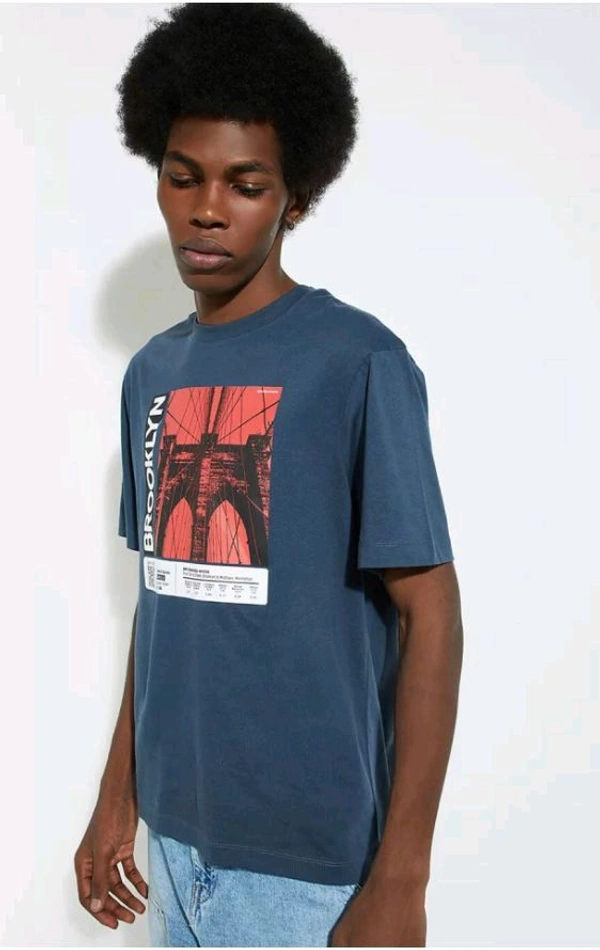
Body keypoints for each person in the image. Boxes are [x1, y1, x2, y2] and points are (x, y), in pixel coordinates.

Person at [73, 3, 463, 946]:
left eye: (246, 185)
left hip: (307, 869)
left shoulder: (356, 361)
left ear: (296, 199)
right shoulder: (151, 373)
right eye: (183, 177)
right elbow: (162, 597)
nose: (207, 208)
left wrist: (403, 877)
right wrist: (117, 798)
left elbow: (432, 614)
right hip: (176, 842)